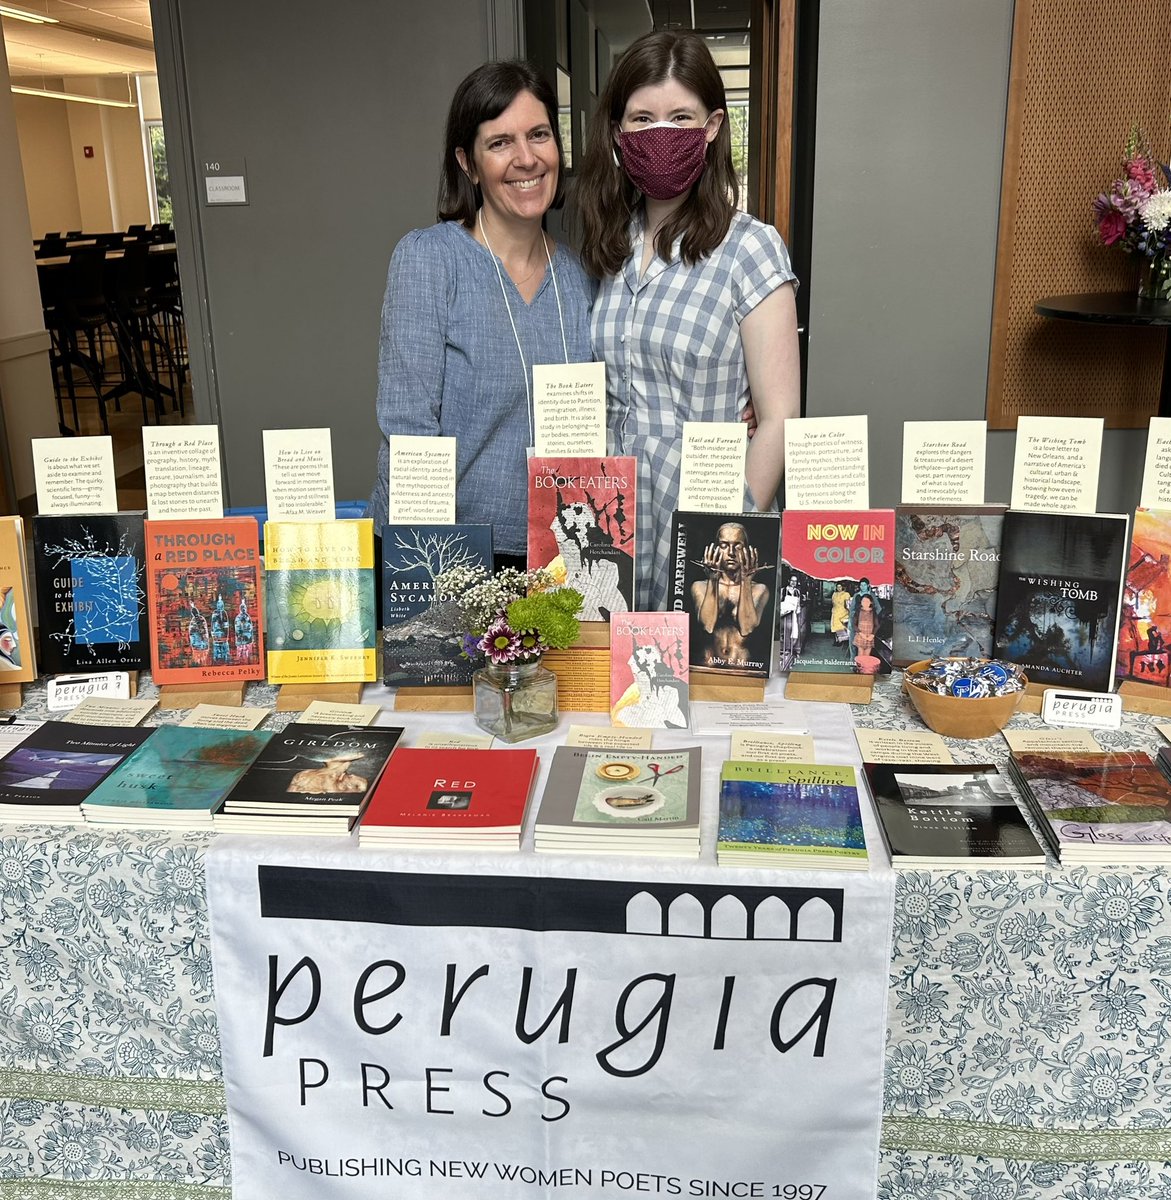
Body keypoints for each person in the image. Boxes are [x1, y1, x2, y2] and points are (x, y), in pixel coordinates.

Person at [576, 31, 800, 610]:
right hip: (609, 525)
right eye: (642, 119)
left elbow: (778, 419)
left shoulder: (750, 249)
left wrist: (732, 530)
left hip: (704, 527)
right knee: (608, 696)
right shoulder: (605, 246)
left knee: (707, 695)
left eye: (681, 117)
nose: (661, 135)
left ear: (713, 127)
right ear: (619, 133)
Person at [365, 61, 594, 566]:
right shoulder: (429, 259)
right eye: (500, 143)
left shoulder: (582, 278)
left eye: (539, 135)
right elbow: (409, 426)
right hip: (445, 551)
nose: (527, 158)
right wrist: (434, 571)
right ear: (468, 164)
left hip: (557, 558)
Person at [689, 521, 770, 668]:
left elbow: (747, 627)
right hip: (708, 664)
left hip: (742, 666)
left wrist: (745, 581)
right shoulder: (699, 587)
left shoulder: (759, 589)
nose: (731, 552)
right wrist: (713, 580)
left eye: (737, 545)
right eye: (724, 545)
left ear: (747, 549)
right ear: (716, 549)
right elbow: (708, 625)